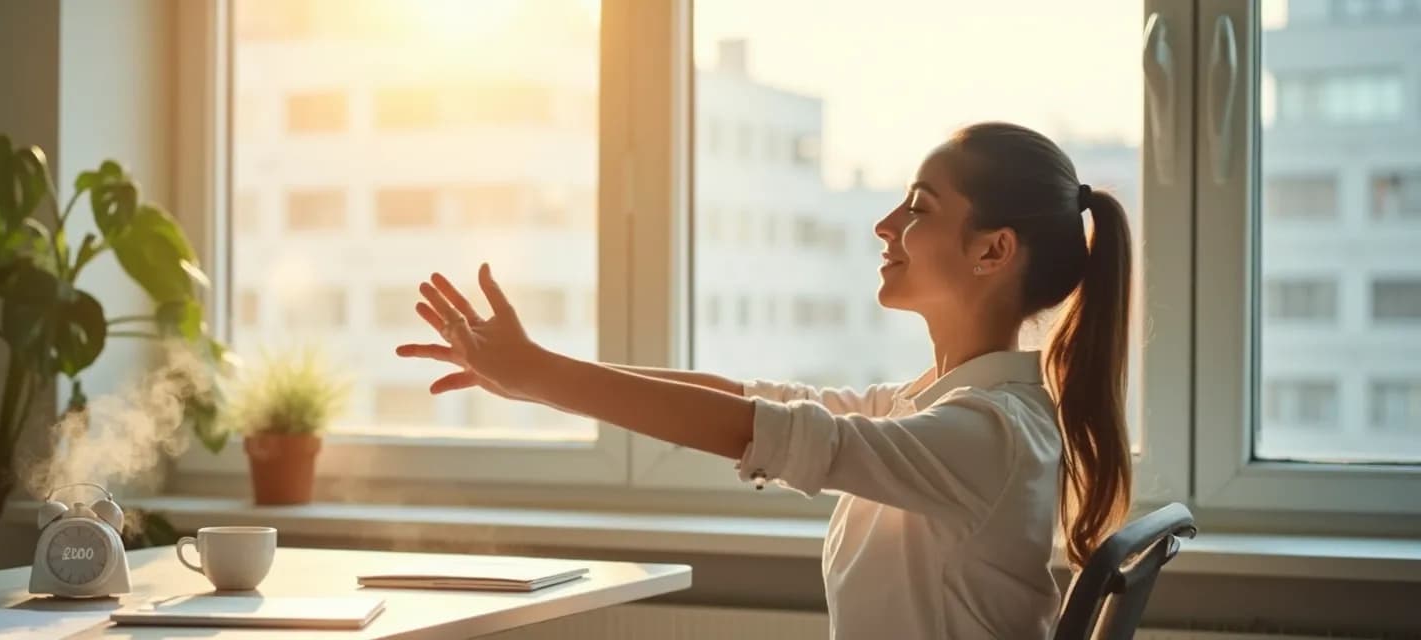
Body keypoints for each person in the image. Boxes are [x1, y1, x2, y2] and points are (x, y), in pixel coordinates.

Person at [396, 121, 1134, 639]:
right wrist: (535, 379)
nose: (884, 225)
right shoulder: (932, 407)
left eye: (918, 207)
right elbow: (757, 402)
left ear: (993, 252)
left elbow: (761, 431)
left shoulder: (986, 433)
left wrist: (543, 374)